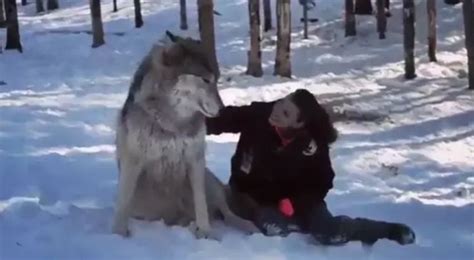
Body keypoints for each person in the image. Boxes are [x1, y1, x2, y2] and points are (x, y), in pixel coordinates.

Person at [206, 89, 415, 246]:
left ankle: (387, 230)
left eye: (286, 113)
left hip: (299, 200)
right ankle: (293, 224)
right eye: (281, 103)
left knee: (328, 232)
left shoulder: (313, 145)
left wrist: (294, 203)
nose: (277, 111)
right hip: (251, 196)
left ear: (298, 125)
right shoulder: (260, 115)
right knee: (272, 227)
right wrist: (184, 124)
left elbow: (322, 182)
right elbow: (223, 119)